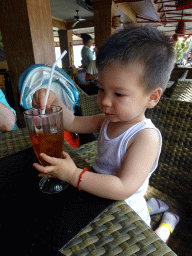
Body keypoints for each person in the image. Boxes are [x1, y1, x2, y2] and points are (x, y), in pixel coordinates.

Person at [32, 26, 175, 227]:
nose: (105, 101)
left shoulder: (145, 137)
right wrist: (54, 100)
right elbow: (71, 122)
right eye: (101, 89)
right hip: (95, 191)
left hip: (126, 207)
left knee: (155, 241)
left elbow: (123, 187)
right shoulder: (105, 120)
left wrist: (73, 175)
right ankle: (152, 206)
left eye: (118, 94)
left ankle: (168, 223)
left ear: (152, 97)